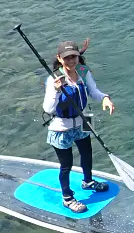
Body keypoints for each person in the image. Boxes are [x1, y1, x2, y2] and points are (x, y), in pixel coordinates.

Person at [42, 39, 115, 213]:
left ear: (78, 57)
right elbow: (48, 108)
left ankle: (88, 181)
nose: (71, 61)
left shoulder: (83, 71)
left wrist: (104, 98)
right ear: (60, 59)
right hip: (62, 126)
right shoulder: (54, 79)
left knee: (87, 154)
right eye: (67, 58)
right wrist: (57, 91)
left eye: (74, 57)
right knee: (66, 165)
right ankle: (67, 198)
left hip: (83, 120)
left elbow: (93, 91)